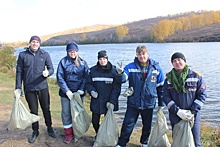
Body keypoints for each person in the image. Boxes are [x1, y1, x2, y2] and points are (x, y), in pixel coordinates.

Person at [116, 45, 165, 147]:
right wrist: (120, 74)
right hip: (133, 102)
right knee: (127, 124)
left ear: (147, 54)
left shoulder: (156, 68)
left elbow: (161, 87)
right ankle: (121, 143)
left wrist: (161, 104)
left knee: (147, 125)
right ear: (136, 55)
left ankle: (144, 143)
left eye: (143, 54)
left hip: (149, 102)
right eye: (139, 54)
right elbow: (123, 79)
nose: (141, 56)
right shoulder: (130, 67)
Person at [15, 35, 57, 143]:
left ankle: (49, 127)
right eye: (33, 42)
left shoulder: (45, 54)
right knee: (33, 111)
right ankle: (35, 131)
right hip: (29, 88)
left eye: (37, 42)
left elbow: (51, 68)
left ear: (39, 44)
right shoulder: (23, 55)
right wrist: (18, 88)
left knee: (46, 108)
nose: (35, 44)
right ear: (29, 43)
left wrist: (48, 73)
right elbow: (19, 72)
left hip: (42, 86)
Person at [163, 52, 207, 147]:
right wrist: (178, 111)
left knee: (195, 141)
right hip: (176, 115)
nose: (177, 62)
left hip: (193, 115)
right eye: (174, 61)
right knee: (178, 140)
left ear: (184, 61)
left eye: (179, 60)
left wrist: (192, 111)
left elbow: (202, 95)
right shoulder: (168, 79)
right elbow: (166, 97)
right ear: (172, 64)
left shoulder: (196, 76)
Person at [56, 42, 89, 144]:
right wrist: (66, 90)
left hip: (79, 93)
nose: (72, 53)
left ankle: (77, 132)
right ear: (67, 52)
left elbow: (86, 76)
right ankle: (68, 134)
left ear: (77, 51)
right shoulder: (63, 62)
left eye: (74, 51)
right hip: (66, 94)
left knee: (77, 114)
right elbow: (60, 77)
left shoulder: (83, 63)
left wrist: (82, 89)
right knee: (66, 113)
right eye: (70, 51)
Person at [86, 50, 122, 140]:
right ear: (98, 60)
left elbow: (117, 88)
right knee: (94, 121)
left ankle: (107, 137)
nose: (102, 61)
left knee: (108, 122)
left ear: (107, 59)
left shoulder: (114, 71)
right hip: (96, 100)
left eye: (104, 59)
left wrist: (112, 101)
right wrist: (92, 91)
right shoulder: (92, 70)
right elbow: (88, 83)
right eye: (100, 59)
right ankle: (99, 135)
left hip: (109, 101)